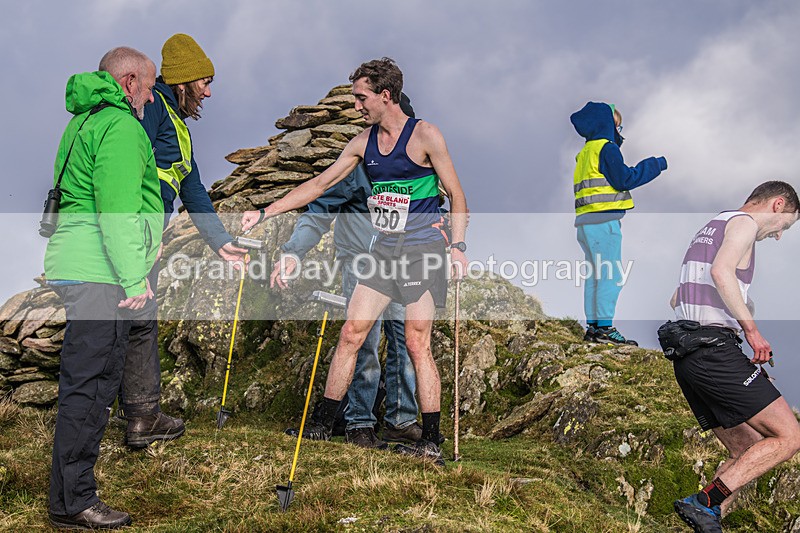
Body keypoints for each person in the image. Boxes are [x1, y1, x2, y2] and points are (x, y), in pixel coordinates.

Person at [243, 57, 468, 465]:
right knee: (352, 333)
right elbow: (319, 185)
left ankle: (429, 440)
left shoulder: (426, 134)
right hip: (383, 253)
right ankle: (324, 427)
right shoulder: (362, 144)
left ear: (386, 95)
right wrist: (265, 212)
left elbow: (456, 193)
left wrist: (458, 246)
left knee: (416, 343)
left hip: (422, 253)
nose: (356, 106)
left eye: (361, 98)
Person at [44, 47, 162, 529]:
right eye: (150, 86)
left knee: (85, 383)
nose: (152, 98)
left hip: (79, 263)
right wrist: (134, 277)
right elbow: (117, 210)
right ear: (129, 81)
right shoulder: (119, 126)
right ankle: (73, 502)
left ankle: (69, 495)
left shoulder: (83, 121)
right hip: (100, 271)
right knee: (90, 387)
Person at [277, 94, 429, 449]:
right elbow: (318, 208)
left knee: (406, 342)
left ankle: (400, 421)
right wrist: (293, 251)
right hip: (362, 262)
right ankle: (359, 422)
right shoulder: (358, 166)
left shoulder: (418, 167)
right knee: (366, 342)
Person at [120, 33, 247, 448]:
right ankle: (131, 415)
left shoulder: (176, 123)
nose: (208, 92)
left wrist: (221, 241)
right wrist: (145, 228)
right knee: (127, 320)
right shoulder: (153, 108)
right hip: (139, 232)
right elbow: (131, 170)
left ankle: (141, 417)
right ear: (182, 82)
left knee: (139, 320)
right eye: (203, 83)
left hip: (147, 233)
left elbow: (191, 188)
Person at [662, 181, 800, 532]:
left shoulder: (712, 226)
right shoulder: (745, 224)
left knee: (749, 449)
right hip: (713, 351)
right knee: (789, 437)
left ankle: (708, 520)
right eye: (786, 225)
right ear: (777, 205)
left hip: (688, 356)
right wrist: (751, 331)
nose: (780, 235)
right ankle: (704, 502)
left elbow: (677, 298)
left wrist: (737, 314)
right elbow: (720, 272)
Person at [570, 102, 667, 345]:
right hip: (604, 222)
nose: (620, 131)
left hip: (585, 223)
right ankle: (604, 328)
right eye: (618, 125)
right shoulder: (607, 149)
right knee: (611, 274)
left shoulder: (585, 152)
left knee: (595, 275)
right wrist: (655, 165)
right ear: (608, 124)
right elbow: (624, 179)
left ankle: (593, 327)